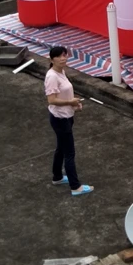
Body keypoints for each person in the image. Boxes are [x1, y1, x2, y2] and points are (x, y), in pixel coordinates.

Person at [45, 45, 93, 197]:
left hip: (65, 116)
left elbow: (64, 95)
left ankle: (57, 177)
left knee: (61, 148)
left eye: (65, 55)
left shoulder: (61, 72)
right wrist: (71, 102)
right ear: (52, 59)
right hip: (61, 119)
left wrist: (73, 104)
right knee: (69, 153)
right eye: (59, 56)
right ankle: (75, 186)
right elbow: (51, 100)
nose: (63, 58)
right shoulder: (52, 76)